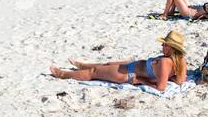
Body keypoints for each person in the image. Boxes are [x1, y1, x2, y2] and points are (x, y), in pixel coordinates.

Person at [50, 31, 187, 91]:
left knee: (94, 72)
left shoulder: (165, 63)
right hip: (133, 66)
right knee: (106, 65)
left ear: (173, 48)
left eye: (165, 45)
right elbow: (179, 80)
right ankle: (81, 65)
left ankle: (63, 74)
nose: (162, 46)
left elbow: (161, 88)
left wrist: (143, 80)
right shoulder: (181, 61)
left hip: (129, 73)